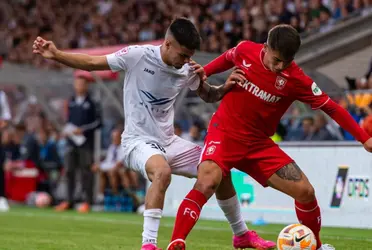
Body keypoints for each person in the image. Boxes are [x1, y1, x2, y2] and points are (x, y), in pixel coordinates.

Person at [33, 17, 275, 250]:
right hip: (137, 141)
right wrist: (56, 54)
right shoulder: (138, 56)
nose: (185, 61)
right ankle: (148, 244)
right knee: (162, 172)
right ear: (167, 44)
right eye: (182, 55)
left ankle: (241, 235)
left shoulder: (185, 68)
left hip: (168, 142)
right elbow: (92, 63)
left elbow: (207, 94)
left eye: (189, 56)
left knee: (218, 169)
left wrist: (224, 87)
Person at [167, 24, 372, 250]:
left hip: (258, 144)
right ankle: (177, 241)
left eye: (286, 61)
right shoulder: (246, 51)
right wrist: (205, 71)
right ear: (265, 47)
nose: (279, 66)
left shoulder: (296, 79)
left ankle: (316, 245)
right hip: (224, 133)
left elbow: (332, 107)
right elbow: (227, 57)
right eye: (275, 60)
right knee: (207, 182)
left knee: (305, 192)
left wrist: (363, 138)